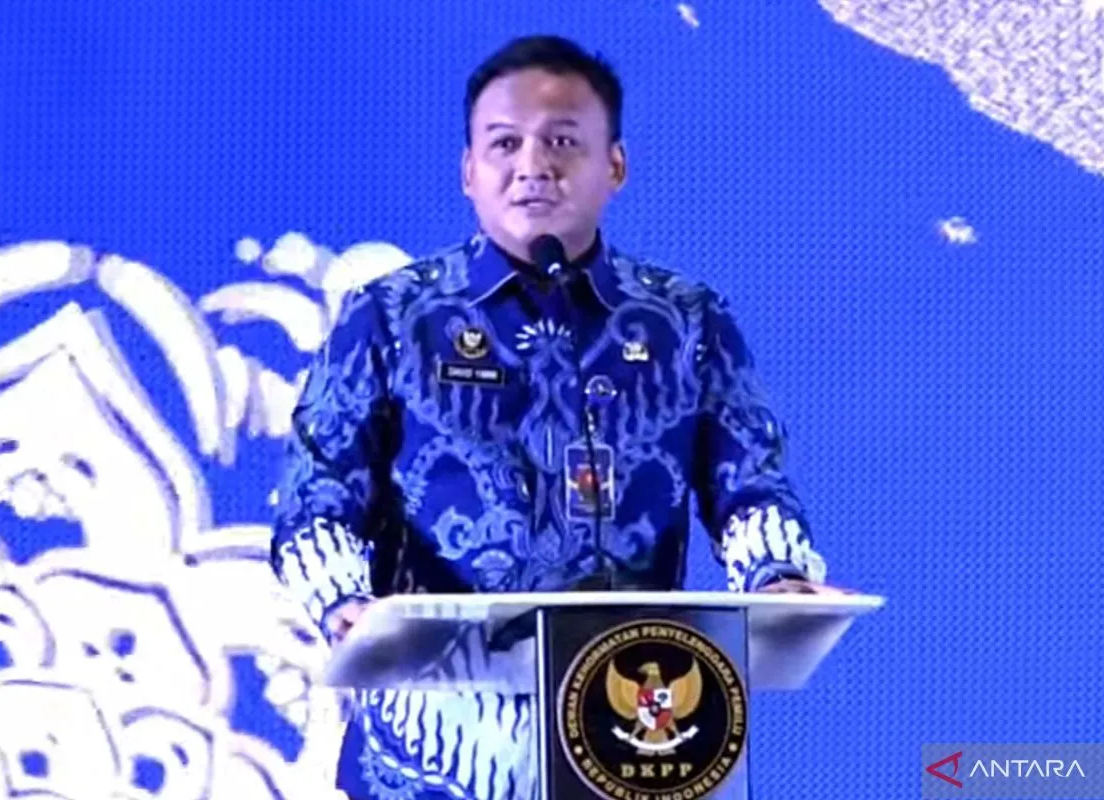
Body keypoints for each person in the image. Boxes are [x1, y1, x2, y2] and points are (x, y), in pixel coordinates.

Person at [270, 34, 834, 800]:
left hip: (629, 728)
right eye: (504, 143)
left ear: (615, 166)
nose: (533, 165)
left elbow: (750, 484)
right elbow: (317, 497)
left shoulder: (687, 321)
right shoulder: (392, 317)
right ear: (469, 171)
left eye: (563, 141)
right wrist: (344, 604)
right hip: (427, 750)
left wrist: (780, 578)